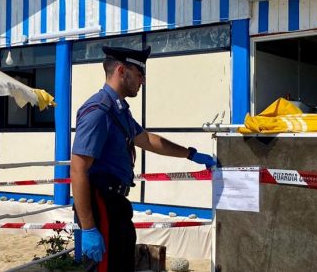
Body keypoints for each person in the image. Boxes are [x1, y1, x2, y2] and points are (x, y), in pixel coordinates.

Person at [71, 46, 217, 271]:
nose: (143, 81)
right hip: (100, 204)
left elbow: (147, 140)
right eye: (139, 74)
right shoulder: (99, 111)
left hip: (116, 203)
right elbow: (78, 169)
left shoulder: (118, 110)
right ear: (122, 71)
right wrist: (89, 228)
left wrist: (190, 153)